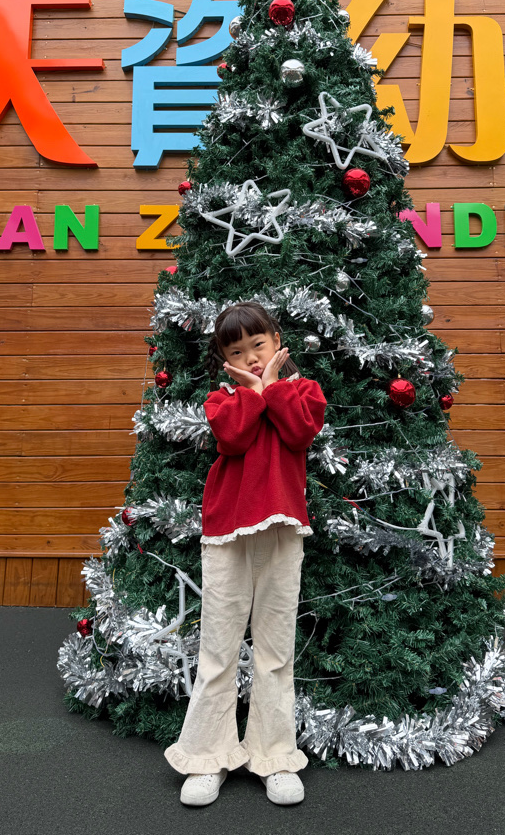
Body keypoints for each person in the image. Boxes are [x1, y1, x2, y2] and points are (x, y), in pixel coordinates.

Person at [164, 301, 327, 807]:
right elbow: (232, 439)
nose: (251, 357)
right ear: (224, 359)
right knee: (218, 650)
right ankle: (206, 757)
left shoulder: (303, 391)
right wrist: (254, 392)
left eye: (258, 345)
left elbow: (300, 431)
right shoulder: (223, 400)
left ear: (277, 340)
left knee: (275, 650)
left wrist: (272, 387)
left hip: (282, 530)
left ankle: (274, 757)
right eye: (237, 351)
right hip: (227, 534)